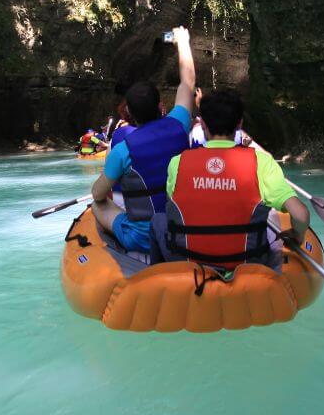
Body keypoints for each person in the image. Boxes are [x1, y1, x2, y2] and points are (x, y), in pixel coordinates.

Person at [160, 88, 310, 269]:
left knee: (158, 221)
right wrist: (298, 235)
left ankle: (159, 280)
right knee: (271, 227)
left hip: (190, 264)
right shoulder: (261, 161)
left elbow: (175, 207)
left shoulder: (178, 162)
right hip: (246, 265)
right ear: (239, 124)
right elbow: (301, 215)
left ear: (203, 124)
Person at [89, 26, 196, 254]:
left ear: (129, 114)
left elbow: (98, 193)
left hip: (144, 238)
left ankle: (116, 247)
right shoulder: (179, 125)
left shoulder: (123, 149)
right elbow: (187, 82)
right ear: (160, 107)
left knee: (97, 205)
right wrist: (183, 42)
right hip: (184, 229)